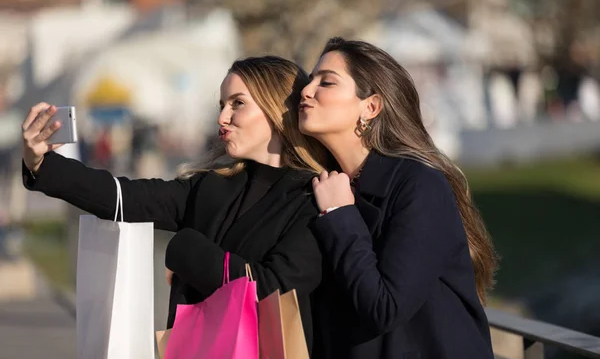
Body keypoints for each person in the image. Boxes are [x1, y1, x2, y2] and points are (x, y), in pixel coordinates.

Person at [21, 56, 330, 351]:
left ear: (278, 110)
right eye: (222, 105)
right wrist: (40, 164)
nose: (223, 117)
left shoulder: (313, 196)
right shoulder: (210, 186)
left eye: (238, 103)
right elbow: (123, 198)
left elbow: (270, 289)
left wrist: (184, 249)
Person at [299, 37, 498, 359]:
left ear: (371, 106)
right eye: (310, 80)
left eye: (327, 82)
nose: (307, 91)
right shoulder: (322, 185)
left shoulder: (418, 185)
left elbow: (386, 306)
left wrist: (338, 212)